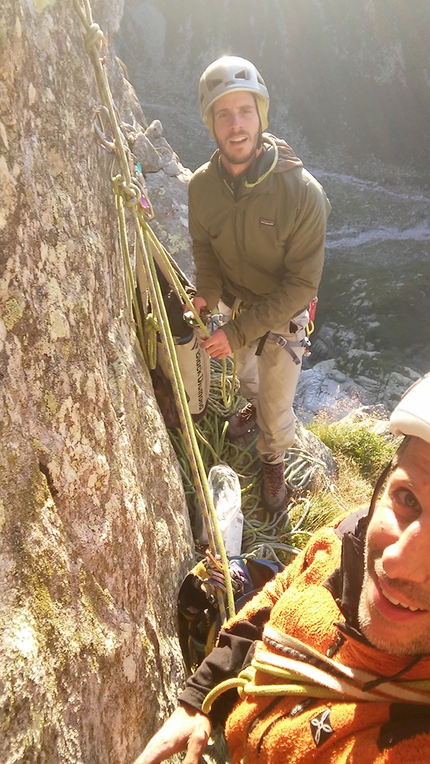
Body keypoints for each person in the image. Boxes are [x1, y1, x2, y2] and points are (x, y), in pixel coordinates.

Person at [133, 371, 430, 763]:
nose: (396, 563)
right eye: (407, 498)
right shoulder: (345, 541)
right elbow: (278, 594)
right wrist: (203, 696)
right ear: (383, 484)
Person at [186, 55, 331, 515]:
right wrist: (206, 292)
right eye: (224, 114)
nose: (236, 125)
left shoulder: (302, 192)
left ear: (261, 116)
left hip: (283, 313)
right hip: (235, 307)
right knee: (248, 377)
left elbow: (304, 282)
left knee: (277, 403)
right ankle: (255, 412)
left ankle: (273, 459)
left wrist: (238, 330)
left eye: (245, 111)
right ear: (212, 123)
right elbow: (206, 249)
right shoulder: (200, 188)